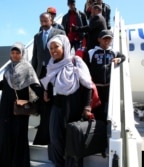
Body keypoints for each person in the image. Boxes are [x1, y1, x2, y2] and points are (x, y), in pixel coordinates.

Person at [0, 42, 43, 167]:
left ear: (22, 53)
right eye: (12, 53)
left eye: (17, 53)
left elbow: (35, 86)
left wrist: (42, 97)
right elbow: (3, 85)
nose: (14, 55)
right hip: (6, 108)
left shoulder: (27, 68)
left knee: (18, 136)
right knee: (4, 135)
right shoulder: (8, 68)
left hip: (19, 109)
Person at [40, 34, 93, 167]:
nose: (53, 50)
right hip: (56, 107)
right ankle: (59, 164)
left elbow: (88, 86)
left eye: (56, 47)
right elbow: (52, 86)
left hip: (73, 107)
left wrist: (87, 107)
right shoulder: (51, 65)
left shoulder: (75, 62)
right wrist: (46, 93)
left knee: (72, 141)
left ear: (64, 46)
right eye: (51, 48)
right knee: (55, 139)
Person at [31, 12, 65, 145]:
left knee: (53, 101)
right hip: (41, 72)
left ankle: (53, 130)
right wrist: (34, 73)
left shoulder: (59, 33)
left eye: (46, 21)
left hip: (55, 71)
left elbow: (64, 51)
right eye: (41, 22)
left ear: (51, 20)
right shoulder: (37, 36)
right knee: (43, 102)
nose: (43, 24)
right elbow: (35, 56)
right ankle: (44, 132)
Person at [85, 30, 126, 122]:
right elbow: (86, 66)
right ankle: (96, 126)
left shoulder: (113, 52)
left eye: (109, 39)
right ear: (99, 39)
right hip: (96, 86)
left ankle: (104, 126)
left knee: (107, 107)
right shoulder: (91, 52)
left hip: (108, 86)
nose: (107, 41)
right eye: (104, 39)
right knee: (96, 106)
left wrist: (118, 59)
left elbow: (123, 57)